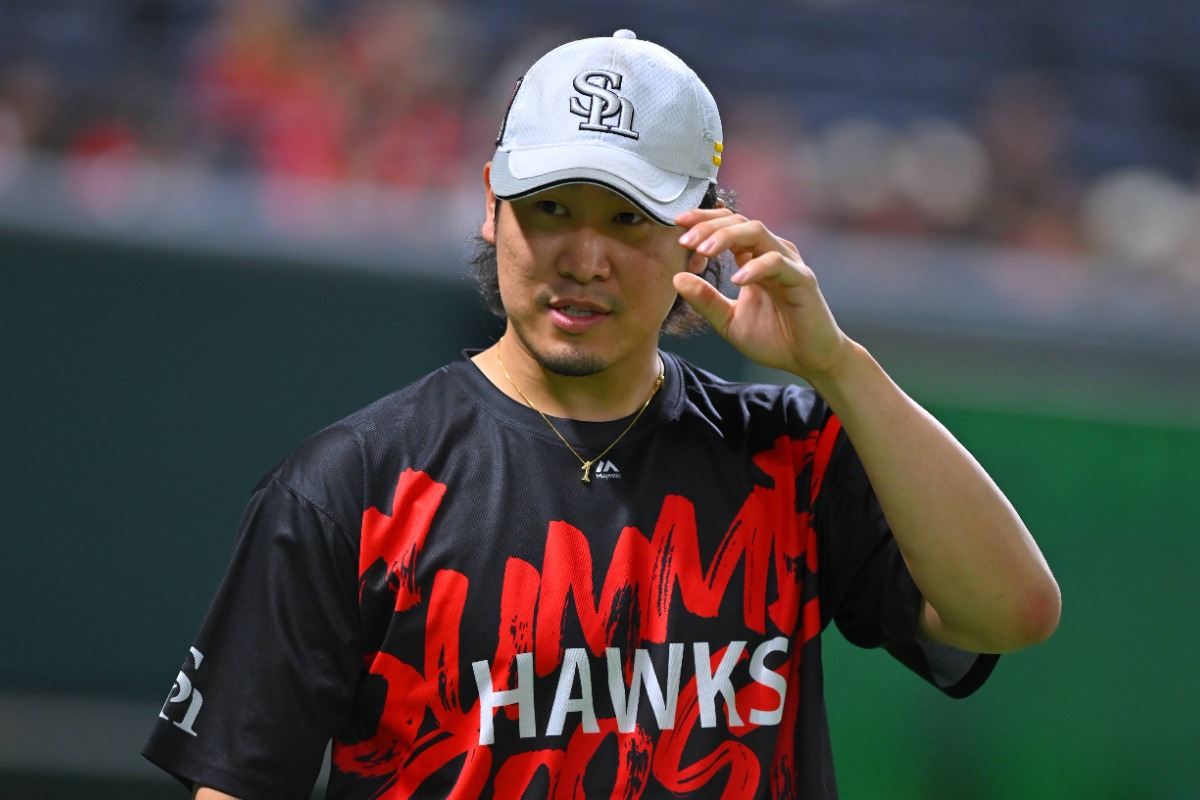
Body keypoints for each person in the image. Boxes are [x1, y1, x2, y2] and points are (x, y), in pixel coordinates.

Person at [144, 29, 1060, 800]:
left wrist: (841, 369)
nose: (585, 259)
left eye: (629, 220)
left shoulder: (791, 453)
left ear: (702, 234)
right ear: (492, 207)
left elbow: (1011, 612)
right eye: (551, 208)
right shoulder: (352, 486)